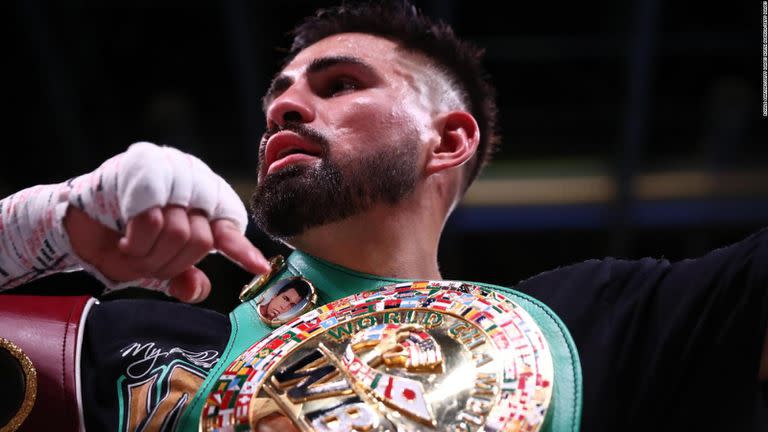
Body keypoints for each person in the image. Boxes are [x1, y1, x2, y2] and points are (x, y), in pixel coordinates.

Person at [0, 1, 766, 431]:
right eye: (278, 96)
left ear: (449, 138)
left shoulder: (599, 324)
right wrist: (41, 227)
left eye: (340, 84)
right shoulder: (132, 344)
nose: (286, 107)